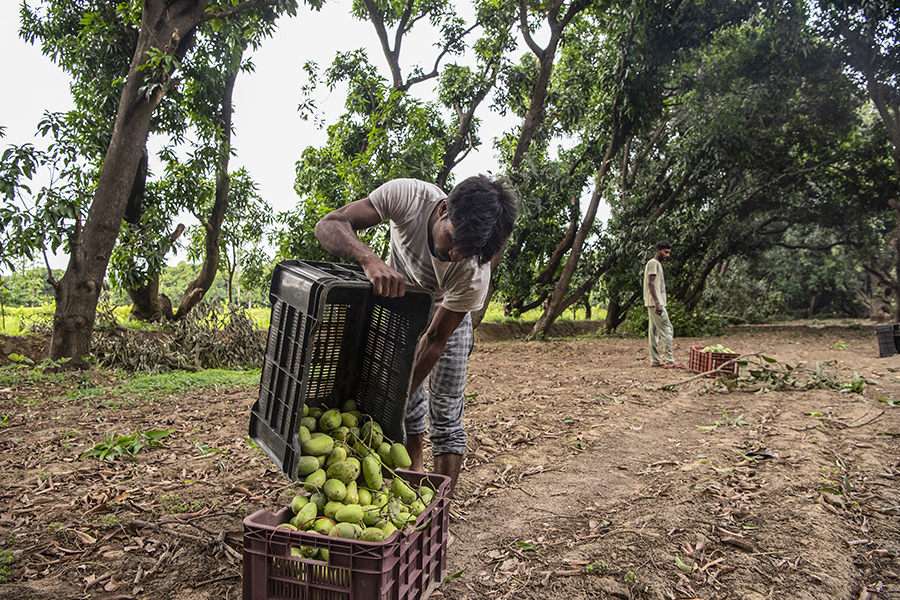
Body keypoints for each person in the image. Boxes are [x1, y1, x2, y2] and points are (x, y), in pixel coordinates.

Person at [315, 175, 519, 498]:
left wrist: (399, 394)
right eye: (452, 240)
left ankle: (439, 511)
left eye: (464, 253)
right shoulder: (408, 197)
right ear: (442, 209)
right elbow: (328, 225)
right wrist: (370, 260)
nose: (454, 256)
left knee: (446, 415)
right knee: (406, 405)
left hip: (448, 317)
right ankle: (414, 469)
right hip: (401, 309)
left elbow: (436, 341)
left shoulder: (474, 273)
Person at [643, 240, 685, 369]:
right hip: (656, 302)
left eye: (669, 253)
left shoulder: (657, 264)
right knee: (667, 329)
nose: (668, 255)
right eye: (665, 252)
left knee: (654, 332)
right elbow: (650, 283)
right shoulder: (653, 263)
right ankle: (670, 360)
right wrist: (657, 302)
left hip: (654, 302)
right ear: (658, 251)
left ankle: (655, 360)